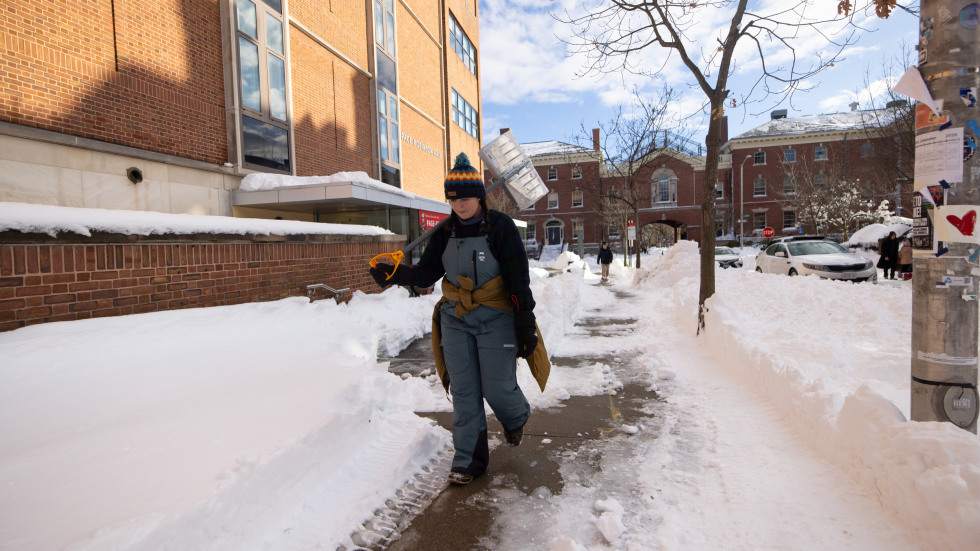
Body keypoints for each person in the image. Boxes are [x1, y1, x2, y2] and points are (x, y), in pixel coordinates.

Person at [369, 153, 550, 486]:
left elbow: (516, 277)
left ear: (479, 196)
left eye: (464, 198)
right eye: (452, 199)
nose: (458, 205)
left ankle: (516, 416)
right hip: (456, 317)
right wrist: (395, 274)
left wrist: (524, 319)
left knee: (497, 387)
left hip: (496, 315)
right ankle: (468, 460)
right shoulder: (445, 232)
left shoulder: (501, 227)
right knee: (464, 390)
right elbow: (426, 274)